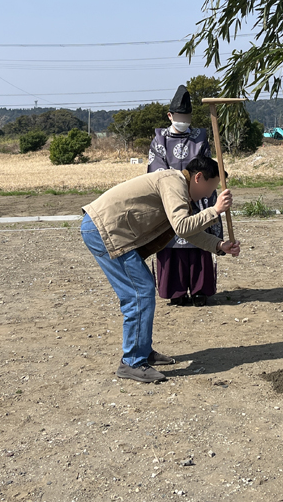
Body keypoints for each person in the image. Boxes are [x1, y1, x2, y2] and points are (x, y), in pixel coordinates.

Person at [81, 155, 240, 383]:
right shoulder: (172, 182)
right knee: (140, 292)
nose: (209, 195)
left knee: (142, 291)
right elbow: (182, 225)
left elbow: (187, 231)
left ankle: (141, 351)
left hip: (111, 231)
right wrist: (215, 210)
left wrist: (219, 246)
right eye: (211, 187)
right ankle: (132, 362)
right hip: (104, 230)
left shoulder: (180, 188)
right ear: (198, 177)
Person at [147, 84, 222, 306]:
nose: (183, 119)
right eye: (179, 116)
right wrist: (178, 191)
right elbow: (157, 171)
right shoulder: (159, 139)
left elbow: (205, 167)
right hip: (170, 196)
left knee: (200, 238)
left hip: (199, 196)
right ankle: (176, 291)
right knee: (170, 241)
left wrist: (198, 191)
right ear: (170, 116)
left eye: (186, 116)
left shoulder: (200, 137)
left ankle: (200, 289)